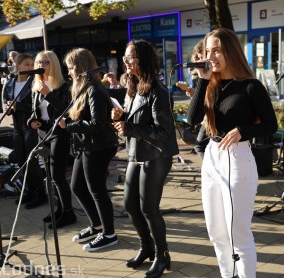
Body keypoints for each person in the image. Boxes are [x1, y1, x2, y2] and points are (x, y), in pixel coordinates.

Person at [186, 28, 278, 278]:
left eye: (217, 50)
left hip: (237, 158)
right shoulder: (210, 85)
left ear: (231, 51)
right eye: (208, 50)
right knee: (216, 230)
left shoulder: (250, 86)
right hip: (213, 155)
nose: (211, 55)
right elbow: (192, 119)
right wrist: (202, 80)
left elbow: (271, 125)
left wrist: (243, 130)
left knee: (238, 232)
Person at [112, 39, 179, 277]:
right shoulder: (133, 86)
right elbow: (136, 118)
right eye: (125, 58)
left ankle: (163, 255)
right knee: (130, 205)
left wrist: (129, 128)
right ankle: (146, 247)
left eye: (131, 58)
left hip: (157, 155)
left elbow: (164, 132)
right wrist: (122, 115)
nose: (126, 62)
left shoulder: (157, 91)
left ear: (144, 60)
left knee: (149, 208)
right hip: (136, 152)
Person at [59, 48, 118, 251]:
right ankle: (96, 225)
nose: (68, 73)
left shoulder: (95, 88)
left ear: (81, 67)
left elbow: (98, 123)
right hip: (86, 145)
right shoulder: (82, 87)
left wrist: (69, 126)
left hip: (99, 146)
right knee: (77, 186)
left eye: (70, 68)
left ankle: (109, 234)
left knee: (97, 190)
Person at [28, 50, 76, 229]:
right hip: (43, 132)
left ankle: (68, 213)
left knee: (57, 175)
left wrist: (48, 93)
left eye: (45, 62)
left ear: (54, 64)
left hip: (59, 132)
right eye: (39, 62)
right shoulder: (36, 84)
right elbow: (36, 111)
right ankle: (58, 209)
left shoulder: (64, 86)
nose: (41, 66)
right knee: (48, 175)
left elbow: (67, 110)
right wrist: (31, 121)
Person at [3, 53, 47, 209]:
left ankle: (41, 194)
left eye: (31, 64)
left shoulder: (33, 82)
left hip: (30, 127)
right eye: (27, 64)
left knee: (32, 161)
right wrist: (8, 109)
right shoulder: (10, 83)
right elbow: (6, 103)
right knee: (21, 161)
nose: (30, 67)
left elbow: (37, 107)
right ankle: (30, 190)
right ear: (18, 65)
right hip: (17, 128)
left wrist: (17, 107)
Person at [187, 39, 208, 160]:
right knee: (200, 145)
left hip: (210, 119)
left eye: (202, 57)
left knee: (200, 145)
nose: (201, 62)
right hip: (206, 118)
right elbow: (192, 119)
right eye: (198, 58)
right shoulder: (200, 75)